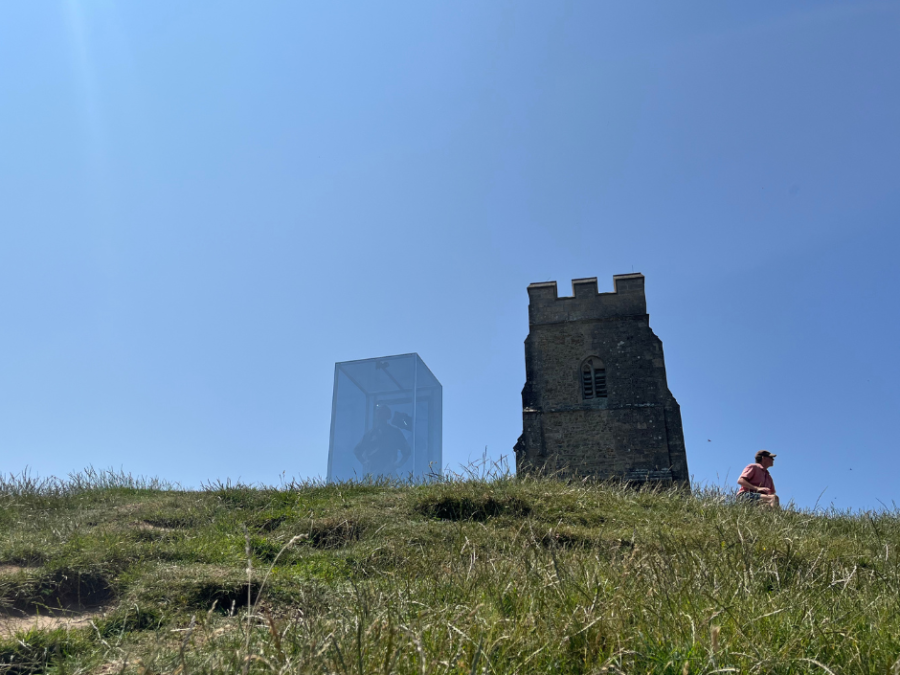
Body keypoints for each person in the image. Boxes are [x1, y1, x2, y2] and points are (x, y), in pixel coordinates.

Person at [353, 404, 412, 478]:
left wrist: (398, 464)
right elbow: (357, 450)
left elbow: (407, 451)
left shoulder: (395, 433)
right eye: (378, 413)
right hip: (373, 474)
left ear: (387, 415)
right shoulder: (370, 434)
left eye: (383, 412)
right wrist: (365, 462)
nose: (380, 415)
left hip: (389, 473)